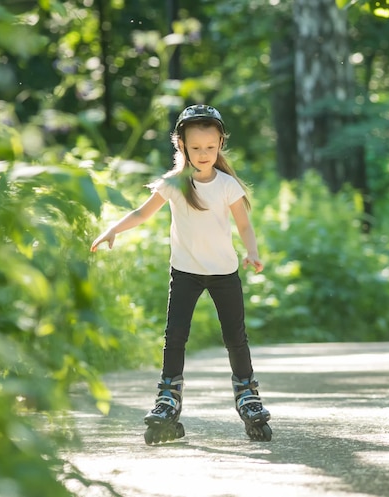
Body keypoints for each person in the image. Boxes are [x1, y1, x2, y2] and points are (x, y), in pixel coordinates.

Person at [90, 104, 271, 442]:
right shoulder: (174, 183)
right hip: (185, 272)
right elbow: (142, 213)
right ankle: (168, 398)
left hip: (224, 272)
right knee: (174, 337)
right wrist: (114, 229)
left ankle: (247, 393)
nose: (204, 154)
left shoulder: (227, 184)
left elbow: (244, 224)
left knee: (236, 337)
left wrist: (253, 252)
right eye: (196, 147)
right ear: (182, 146)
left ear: (220, 145)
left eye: (210, 147)